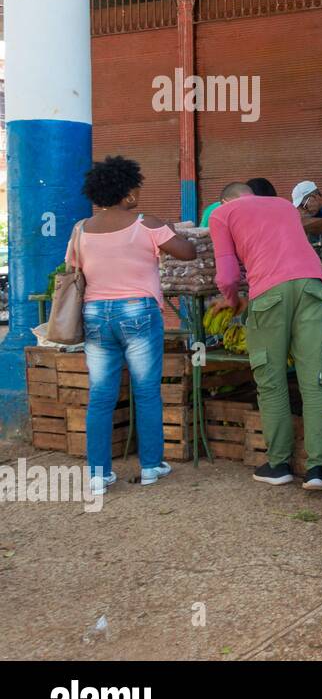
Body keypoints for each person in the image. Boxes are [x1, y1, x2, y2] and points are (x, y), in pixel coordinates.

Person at [70, 156, 197, 495]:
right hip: (138, 312)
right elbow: (187, 252)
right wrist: (174, 232)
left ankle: (98, 474)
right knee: (145, 391)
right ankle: (152, 466)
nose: (139, 192)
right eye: (136, 188)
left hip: (95, 314)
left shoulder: (81, 229)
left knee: (100, 394)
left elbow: (74, 267)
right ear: (126, 193)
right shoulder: (146, 223)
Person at [209, 192, 322, 489]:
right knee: (314, 378)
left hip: (269, 292)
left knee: (271, 379)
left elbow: (227, 276)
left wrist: (232, 299)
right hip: (312, 286)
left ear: (226, 199)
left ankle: (279, 464)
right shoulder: (283, 205)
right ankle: (318, 468)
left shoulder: (221, 214)